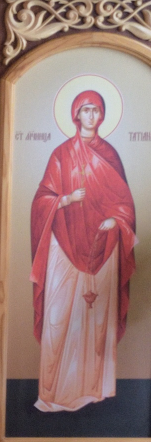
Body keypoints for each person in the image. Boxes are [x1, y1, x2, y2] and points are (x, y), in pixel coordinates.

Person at [30, 88, 135, 412]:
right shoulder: (61, 155)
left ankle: (94, 389)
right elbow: (41, 200)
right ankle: (55, 393)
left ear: (102, 115)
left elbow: (125, 204)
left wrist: (116, 221)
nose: (91, 115)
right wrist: (65, 200)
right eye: (85, 110)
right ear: (76, 114)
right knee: (59, 316)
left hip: (104, 247)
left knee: (97, 319)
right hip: (64, 246)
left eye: (96, 110)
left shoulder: (110, 155)